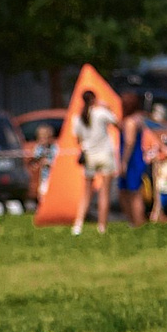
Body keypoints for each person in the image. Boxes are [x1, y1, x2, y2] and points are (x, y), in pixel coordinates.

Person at [70, 88, 117, 235]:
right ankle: (101, 226)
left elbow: (78, 139)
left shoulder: (77, 118)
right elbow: (117, 122)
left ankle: (78, 225)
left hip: (90, 156)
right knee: (104, 193)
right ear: (94, 99)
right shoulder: (101, 113)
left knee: (86, 193)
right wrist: (107, 107)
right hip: (105, 154)